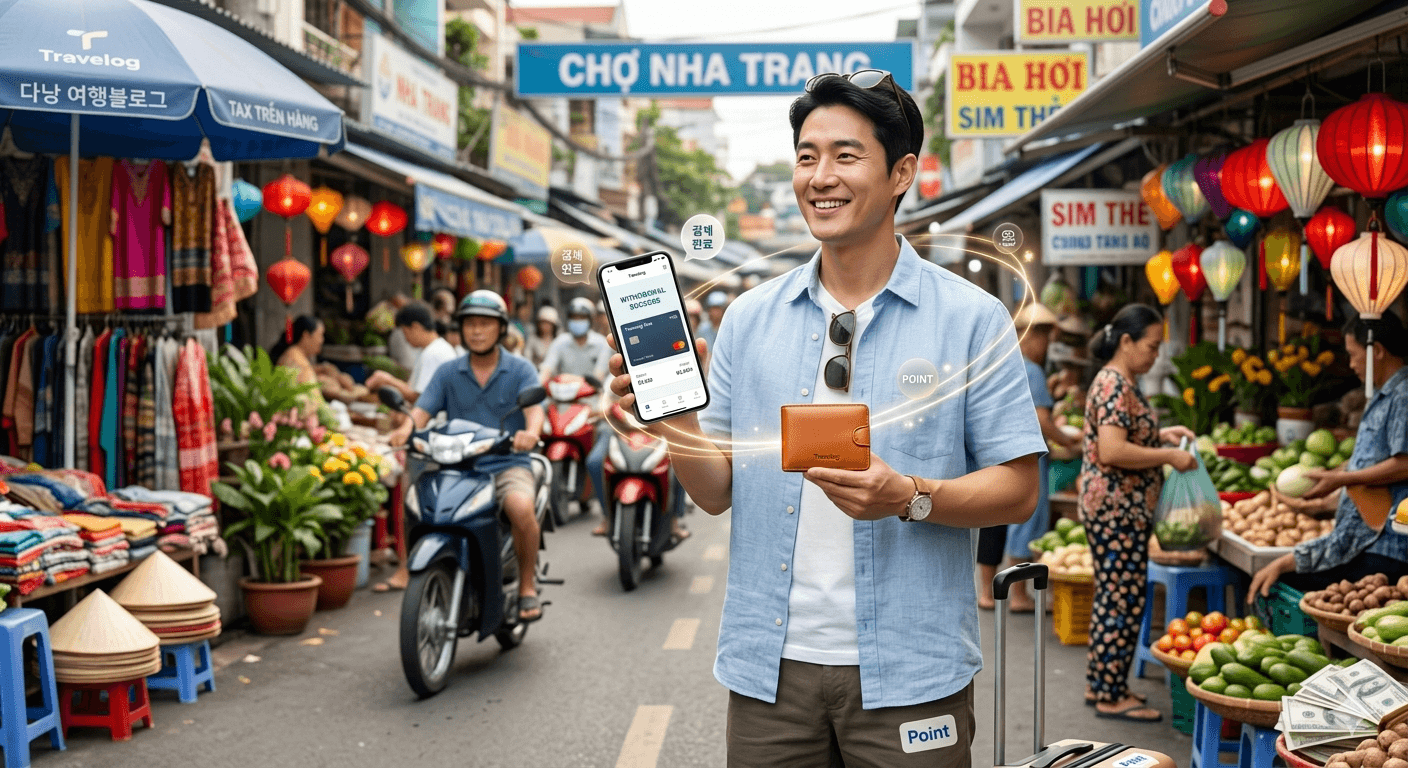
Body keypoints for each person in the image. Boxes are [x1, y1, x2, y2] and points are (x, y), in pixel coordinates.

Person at [606, 71, 1044, 766]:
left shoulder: (971, 320)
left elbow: (1019, 487)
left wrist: (910, 497)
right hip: (768, 671)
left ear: (901, 173)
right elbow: (715, 494)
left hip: (912, 672)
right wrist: (671, 419)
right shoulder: (748, 320)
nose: (820, 177)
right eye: (807, 156)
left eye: (845, 155)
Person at [388, 291, 546, 621]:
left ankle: (526, 587)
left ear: (500, 329)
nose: (476, 331)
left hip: (506, 463)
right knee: (417, 502)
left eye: (485, 324)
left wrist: (530, 433)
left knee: (520, 508)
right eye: (470, 324)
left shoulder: (520, 369)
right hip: (457, 466)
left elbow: (534, 411)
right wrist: (406, 429)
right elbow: (422, 410)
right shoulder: (448, 371)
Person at [1079, 304, 1197, 722]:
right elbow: (1112, 450)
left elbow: (1123, 435)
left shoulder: (1119, 381)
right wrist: (1168, 454)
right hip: (1118, 510)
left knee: (1114, 596)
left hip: (1115, 509)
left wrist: (1162, 434)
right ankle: (1111, 694)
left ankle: (1102, 684)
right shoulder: (1114, 384)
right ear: (1126, 342)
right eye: (1150, 346)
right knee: (1122, 600)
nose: (1155, 355)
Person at [1249, 311, 1408, 597]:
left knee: (1283, 587)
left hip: (1384, 545)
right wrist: (1332, 480)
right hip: (1362, 538)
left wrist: (1341, 480)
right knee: (1283, 583)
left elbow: (1404, 464)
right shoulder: (1384, 395)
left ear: (1378, 351)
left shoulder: (1404, 395)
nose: (1351, 364)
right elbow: (1370, 462)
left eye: (1353, 354)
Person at [976, 302, 1080, 611]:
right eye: (1046, 338)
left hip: (992, 453)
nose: (1047, 346)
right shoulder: (1032, 369)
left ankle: (989, 593)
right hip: (1024, 457)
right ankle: (1019, 595)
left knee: (994, 523)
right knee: (1026, 522)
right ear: (1032, 335)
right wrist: (1071, 445)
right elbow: (1043, 421)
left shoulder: (1003, 363)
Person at [366, 302, 459, 408]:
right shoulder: (435, 348)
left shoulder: (433, 353)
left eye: (405, 332)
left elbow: (420, 397)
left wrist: (387, 380)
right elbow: (415, 389)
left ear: (415, 327)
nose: (406, 339)